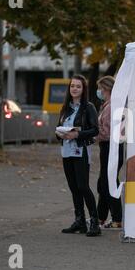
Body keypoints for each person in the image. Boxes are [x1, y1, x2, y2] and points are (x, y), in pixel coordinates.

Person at [56, 75, 101, 237]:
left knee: (83, 186)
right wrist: (60, 134)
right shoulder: (65, 108)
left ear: (83, 90)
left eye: (78, 86)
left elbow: (95, 130)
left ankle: (95, 222)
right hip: (66, 152)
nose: (74, 89)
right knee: (74, 188)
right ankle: (79, 221)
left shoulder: (88, 107)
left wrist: (77, 134)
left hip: (81, 151)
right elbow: (59, 127)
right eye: (72, 86)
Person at [95, 76, 124, 229]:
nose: (98, 91)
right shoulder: (108, 105)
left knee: (108, 182)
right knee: (104, 182)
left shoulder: (111, 106)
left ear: (106, 89)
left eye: (100, 88)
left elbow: (107, 132)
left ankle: (116, 218)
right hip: (107, 147)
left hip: (110, 147)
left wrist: (91, 134)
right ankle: (101, 217)